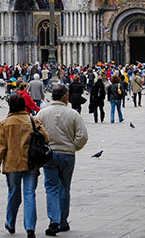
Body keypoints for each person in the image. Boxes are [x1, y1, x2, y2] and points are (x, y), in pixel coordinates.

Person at [0, 93, 48, 238]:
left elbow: (1, 147)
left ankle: (10, 222)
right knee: (30, 194)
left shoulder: (5, 123)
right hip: (31, 163)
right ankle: (30, 228)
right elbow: (46, 138)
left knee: (13, 193)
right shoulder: (33, 121)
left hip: (12, 164)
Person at [37, 84, 88, 236]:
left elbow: (36, 133)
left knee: (51, 187)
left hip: (49, 155)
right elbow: (83, 136)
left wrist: (44, 147)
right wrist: (73, 147)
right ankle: (63, 222)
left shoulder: (42, 114)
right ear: (65, 96)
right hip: (67, 155)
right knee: (64, 187)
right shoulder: (73, 114)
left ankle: (54, 220)